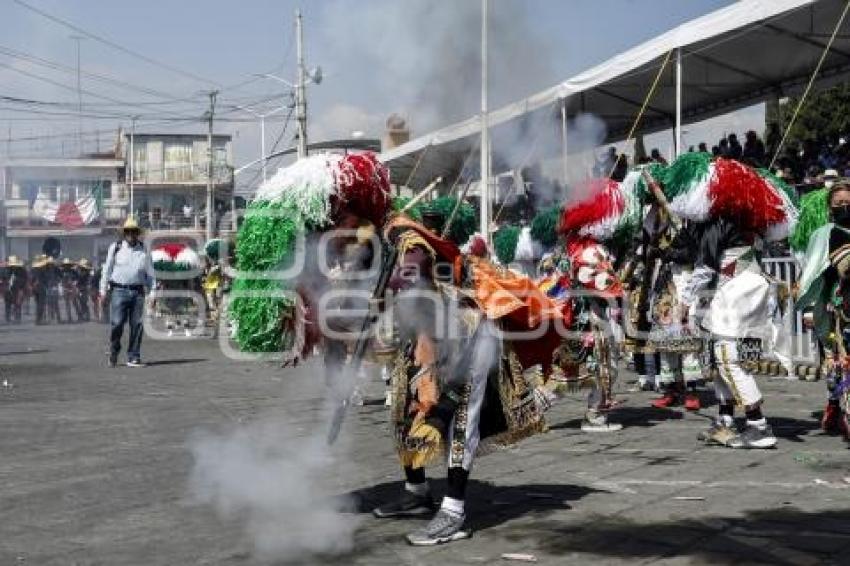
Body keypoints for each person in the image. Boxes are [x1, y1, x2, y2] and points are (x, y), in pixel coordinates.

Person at [797, 182, 850, 439]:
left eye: (848, 203)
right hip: (833, 308)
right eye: (839, 204)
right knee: (834, 360)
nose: (844, 207)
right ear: (830, 208)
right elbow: (810, 274)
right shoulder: (822, 235)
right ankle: (834, 404)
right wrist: (808, 309)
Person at [99, 217, 154, 367]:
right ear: (124, 233)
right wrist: (103, 291)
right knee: (117, 324)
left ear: (137, 233)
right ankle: (114, 350)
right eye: (128, 231)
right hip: (118, 290)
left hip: (138, 292)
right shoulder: (115, 247)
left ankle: (133, 356)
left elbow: (151, 274)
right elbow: (107, 270)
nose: (131, 234)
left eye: (134, 231)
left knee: (137, 325)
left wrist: (152, 293)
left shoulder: (144, 249)